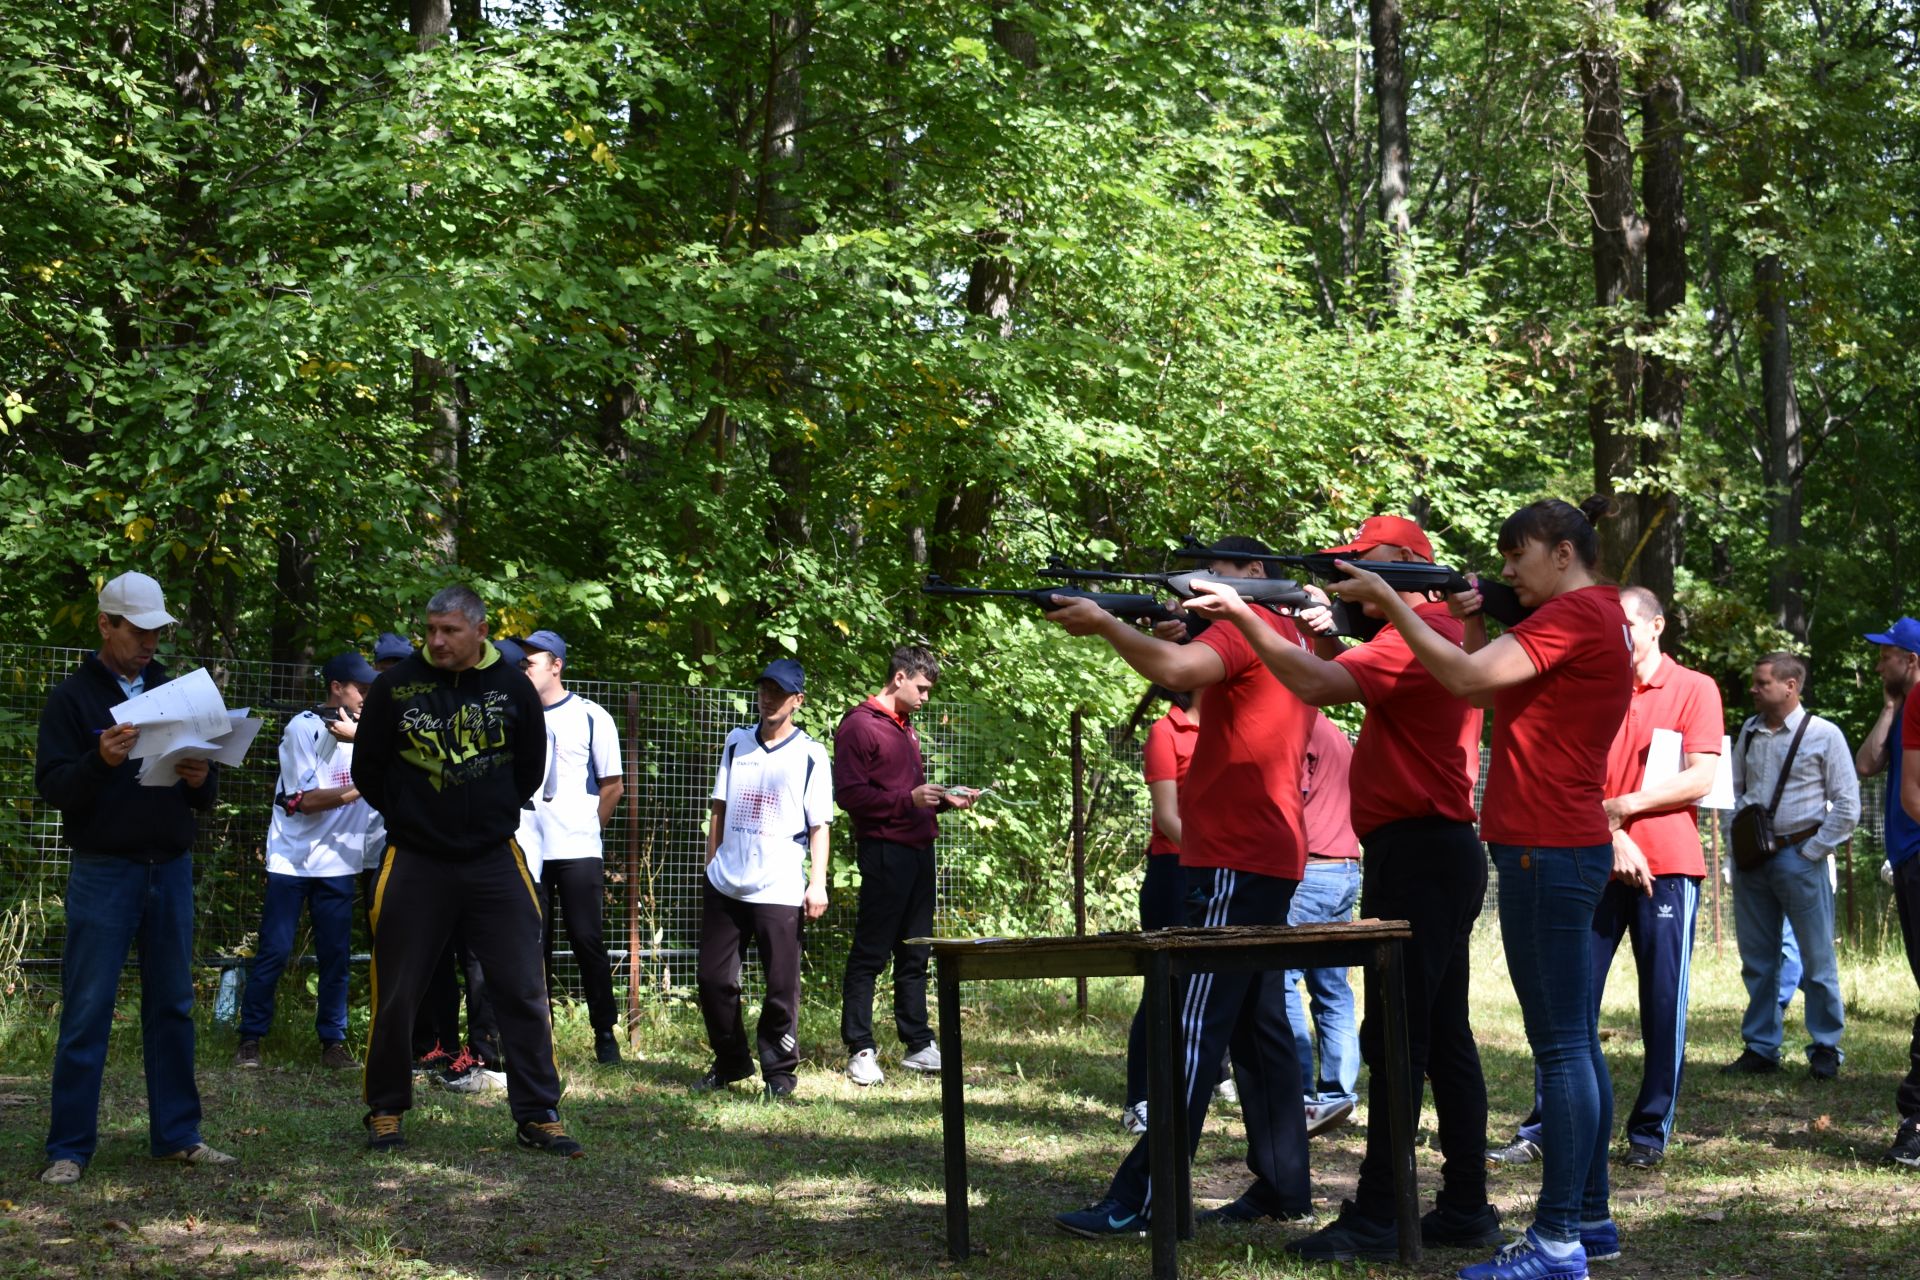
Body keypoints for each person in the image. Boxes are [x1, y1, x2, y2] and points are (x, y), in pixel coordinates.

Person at [1320, 498, 1631, 1280]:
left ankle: (1558, 1241)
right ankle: (1589, 1220)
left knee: (1560, 1049)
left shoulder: (1574, 616)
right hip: (1557, 842)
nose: (1508, 575)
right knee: (1575, 1044)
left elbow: (1459, 676)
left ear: (1563, 553)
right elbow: (1488, 690)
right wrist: (1475, 618)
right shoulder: (1588, 618)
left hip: (1547, 847)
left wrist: (1393, 598)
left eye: (1517, 559)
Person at [1183, 515, 1500, 1261]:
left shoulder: (1414, 630)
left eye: (1362, 567)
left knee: (1394, 1037)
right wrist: (1323, 631)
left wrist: (1244, 616)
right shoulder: (1431, 633)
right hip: (1432, 849)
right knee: (1442, 1037)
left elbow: (1319, 685)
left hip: (1418, 854)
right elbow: (1353, 669)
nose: (1346, 578)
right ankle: (1464, 1207)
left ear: (1405, 566)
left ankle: (1384, 1214)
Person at [1045, 536, 1315, 1235]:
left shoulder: (1249, 628)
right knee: (1260, 1030)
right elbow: (1189, 667)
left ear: (1255, 575)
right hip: (1266, 850)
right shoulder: (1283, 634)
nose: (1206, 582)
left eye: (1219, 572)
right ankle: (1285, 1184)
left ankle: (1147, 1196)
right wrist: (1173, 628)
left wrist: (1109, 625)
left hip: (1233, 854)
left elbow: (1172, 665)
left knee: (1192, 1028)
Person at [1487, 587, 1723, 1171]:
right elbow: (1565, 766)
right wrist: (1611, 831)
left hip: (1667, 866)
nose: (1614, 634)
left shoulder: (1695, 688)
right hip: (1589, 853)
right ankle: (1547, 1126)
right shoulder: (1592, 679)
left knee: (1663, 1003)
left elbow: (1701, 779)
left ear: (1657, 626)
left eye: (1626, 625)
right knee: (1568, 1003)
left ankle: (1649, 1131)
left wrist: (1623, 808)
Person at [351, 584, 583, 1157]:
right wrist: (414, 815)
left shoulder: (512, 688)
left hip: (493, 857)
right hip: (413, 857)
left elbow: (529, 767)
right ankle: (385, 1109)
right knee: (396, 988)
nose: (436, 641)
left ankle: (538, 1113)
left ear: (479, 631)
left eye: (449, 630)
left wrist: (486, 813)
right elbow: (368, 769)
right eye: (430, 630)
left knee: (523, 985)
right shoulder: (394, 686)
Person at [35, 571, 236, 1185]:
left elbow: (202, 790)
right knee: (89, 1007)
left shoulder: (175, 693)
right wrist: (100, 761)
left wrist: (204, 780)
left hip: (170, 869)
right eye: (139, 631)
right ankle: (68, 1149)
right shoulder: (71, 699)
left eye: (157, 632)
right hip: (104, 872)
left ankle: (178, 1136)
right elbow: (53, 787)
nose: (150, 642)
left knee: (173, 1005)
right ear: (106, 624)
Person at [835, 645, 976, 1085]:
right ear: (899, 677)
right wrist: (907, 800)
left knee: (915, 952)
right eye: (922, 688)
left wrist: (944, 801)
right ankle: (860, 1048)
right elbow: (850, 796)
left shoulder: (905, 728)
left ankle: (917, 1044)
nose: (926, 697)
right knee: (871, 953)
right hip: (884, 853)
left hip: (919, 850)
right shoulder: (859, 726)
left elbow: (908, 798)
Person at [235, 651, 382, 1071]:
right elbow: (303, 801)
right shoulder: (303, 729)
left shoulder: (371, 731)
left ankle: (333, 1043)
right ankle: (250, 1038)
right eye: (363, 690)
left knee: (336, 955)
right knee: (275, 951)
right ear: (337, 688)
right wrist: (361, 786)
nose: (368, 699)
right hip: (293, 861)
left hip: (340, 862)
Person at [693, 659, 833, 1100]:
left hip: (780, 888)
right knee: (713, 981)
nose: (768, 697)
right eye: (764, 688)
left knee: (780, 987)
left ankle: (778, 1073)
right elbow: (719, 806)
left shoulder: (811, 753)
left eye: (779, 691)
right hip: (726, 884)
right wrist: (711, 863)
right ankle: (731, 1062)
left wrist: (818, 882)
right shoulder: (736, 743)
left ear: (798, 700)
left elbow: (819, 826)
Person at [1721, 652, 1859, 1081]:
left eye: (1762, 682)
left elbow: (1848, 806)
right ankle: (1761, 1046)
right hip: (1753, 862)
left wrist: (1811, 851)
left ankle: (1825, 1048)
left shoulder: (1825, 735)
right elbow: (1736, 794)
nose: (1754, 688)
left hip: (1800, 858)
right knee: (1759, 960)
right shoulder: (1749, 730)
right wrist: (1733, 853)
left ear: (1790, 686)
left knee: (1817, 961)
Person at [519, 630, 627, 1065]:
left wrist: (587, 829)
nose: (523, 668)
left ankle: (605, 1033)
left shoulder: (591, 716)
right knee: (531, 943)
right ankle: (535, 1037)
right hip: (528, 849)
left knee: (587, 939)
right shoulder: (516, 714)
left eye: (531, 662)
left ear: (556, 665)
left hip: (578, 848)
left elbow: (614, 785)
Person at [1853, 617, 1920, 1165]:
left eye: (1888, 656)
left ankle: (1914, 1119)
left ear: (1912, 660)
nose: (1880, 664)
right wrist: (1891, 707)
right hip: (1908, 860)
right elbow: (1866, 763)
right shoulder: (1904, 713)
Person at [1120, 687, 1201, 1134]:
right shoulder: (1165, 731)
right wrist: (1212, 857)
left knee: (1203, 988)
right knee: (1163, 988)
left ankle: (1194, 1089)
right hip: (1175, 868)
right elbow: (1167, 818)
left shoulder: (1230, 727)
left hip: (1218, 868)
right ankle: (1140, 1100)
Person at [1288, 712, 1361, 1137]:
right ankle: (1339, 1096)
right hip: (1345, 868)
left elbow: (1288, 799)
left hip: (1311, 870)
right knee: (1333, 987)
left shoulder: (1300, 729)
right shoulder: (1333, 730)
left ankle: (1298, 1092)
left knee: (1282, 980)